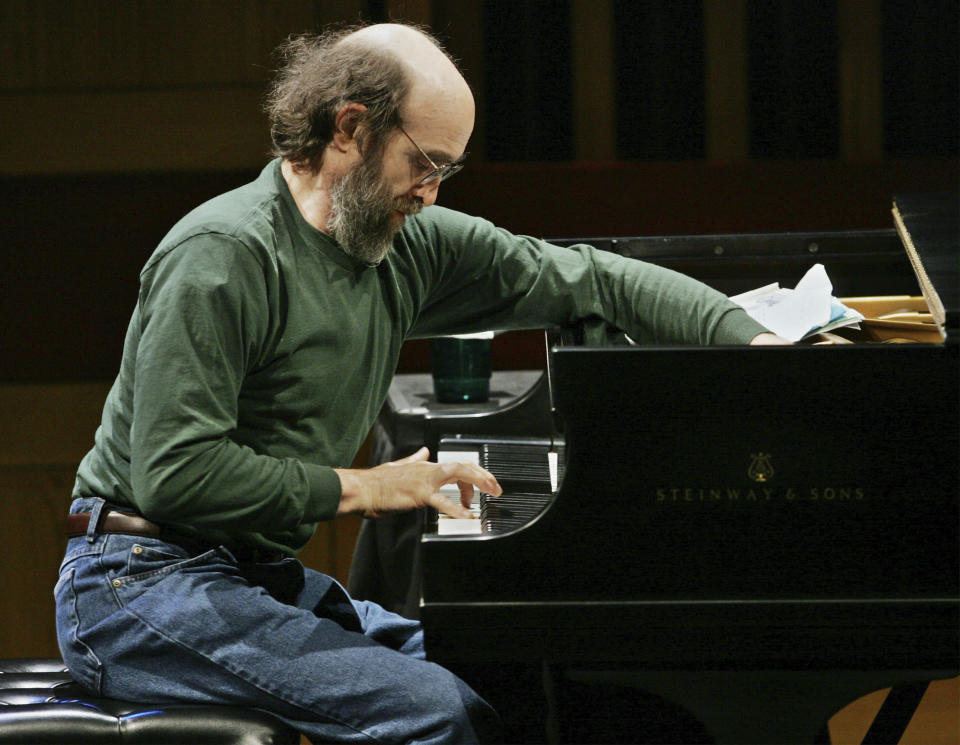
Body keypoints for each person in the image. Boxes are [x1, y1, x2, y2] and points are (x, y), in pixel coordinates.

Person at [55, 21, 787, 745]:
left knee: (505, 677)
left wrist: (751, 338)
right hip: (134, 586)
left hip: (239, 575)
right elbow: (174, 474)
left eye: (447, 172)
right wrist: (366, 485)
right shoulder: (223, 256)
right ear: (349, 128)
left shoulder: (401, 246)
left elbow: (589, 279)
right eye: (425, 163)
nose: (432, 194)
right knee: (437, 713)